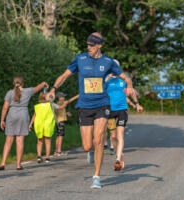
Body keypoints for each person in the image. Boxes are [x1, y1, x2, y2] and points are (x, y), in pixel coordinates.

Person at [47, 32, 134, 189]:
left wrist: (130, 86)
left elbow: (125, 77)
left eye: (92, 45)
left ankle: (96, 177)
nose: (89, 48)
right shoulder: (80, 59)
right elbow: (65, 75)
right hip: (85, 105)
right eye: (87, 45)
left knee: (99, 139)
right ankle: (91, 151)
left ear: (99, 45)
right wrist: (53, 89)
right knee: (87, 145)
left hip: (102, 104)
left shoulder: (108, 62)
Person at [0, 76, 48, 170]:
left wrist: (2, 120)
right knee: (20, 141)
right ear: (22, 83)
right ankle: (18, 165)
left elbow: (5, 107)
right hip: (23, 116)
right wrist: (44, 83)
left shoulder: (9, 93)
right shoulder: (28, 91)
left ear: (13, 83)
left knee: (8, 141)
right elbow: (38, 87)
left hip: (12, 115)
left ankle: (3, 163)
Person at [104, 64, 143, 171]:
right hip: (109, 110)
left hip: (122, 109)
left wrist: (137, 104)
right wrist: (106, 80)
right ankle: (119, 154)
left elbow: (131, 91)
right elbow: (100, 91)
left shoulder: (125, 78)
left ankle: (118, 159)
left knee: (120, 134)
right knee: (113, 136)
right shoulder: (106, 78)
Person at [29, 92, 70, 163]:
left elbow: (34, 115)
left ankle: (39, 156)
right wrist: (65, 103)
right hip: (48, 125)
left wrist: (30, 124)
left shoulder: (37, 106)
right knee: (48, 141)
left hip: (39, 125)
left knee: (39, 141)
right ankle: (47, 157)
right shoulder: (51, 105)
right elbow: (60, 107)